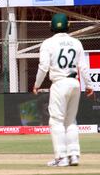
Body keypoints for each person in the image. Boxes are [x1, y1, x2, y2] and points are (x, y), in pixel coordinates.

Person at [32, 13, 93, 167]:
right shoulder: (76, 42)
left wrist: (37, 84)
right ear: (68, 26)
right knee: (71, 120)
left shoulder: (47, 43)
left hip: (59, 83)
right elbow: (83, 67)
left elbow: (44, 66)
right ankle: (74, 155)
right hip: (74, 83)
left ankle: (61, 157)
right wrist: (90, 85)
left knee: (56, 121)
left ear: (51, 27)